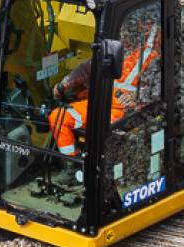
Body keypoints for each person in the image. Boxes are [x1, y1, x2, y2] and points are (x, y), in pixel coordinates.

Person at [46, 15, 161, 158]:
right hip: (99, 104)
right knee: (58, 117)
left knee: (109, 134)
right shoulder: (109, 52)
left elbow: (158, 90)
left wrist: (138, 97)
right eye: (121, 33)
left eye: (126, 32)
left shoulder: (150, 58)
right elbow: (85, 70)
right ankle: (71, 161)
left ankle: (105, 170)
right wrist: (65, 84)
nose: (122, 36)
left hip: (124, 112)